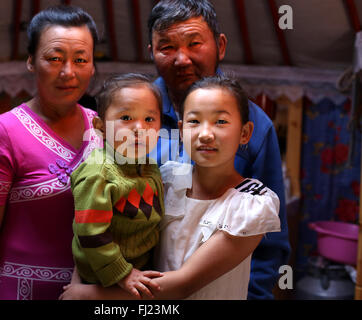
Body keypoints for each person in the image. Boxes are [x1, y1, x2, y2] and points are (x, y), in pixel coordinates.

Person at [60, 75, 281, 300]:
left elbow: (181, 286)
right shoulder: (167, 178)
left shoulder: (250, 205)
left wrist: (86, 294)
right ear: (181, 130)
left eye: (221, 122)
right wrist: (79, 281)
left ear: (244, 133)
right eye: (194, 121)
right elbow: (96, 229)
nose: (205, 134)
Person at [147, 0, 290, 299]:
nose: (182, 59)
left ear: (220, 46)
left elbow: (269, 244)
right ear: (151, 51)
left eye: (194, 43)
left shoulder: (254, 125)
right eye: (167, 47)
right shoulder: (134, 118)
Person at [0, 5, 102, 300]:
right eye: (54, 59)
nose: (68, 72)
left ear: (92, 66)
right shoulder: (2, 133)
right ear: (31, 61)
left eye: (81, 60)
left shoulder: (103, 127)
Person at [70, 73, 164, 299]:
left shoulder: (149, 167)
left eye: (149, 119)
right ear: (100, 127)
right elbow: (90, 233)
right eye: (126, 117)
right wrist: (123, 275)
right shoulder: (98, 172)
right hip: (103, 279)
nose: (139, 128)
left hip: (139, 273)